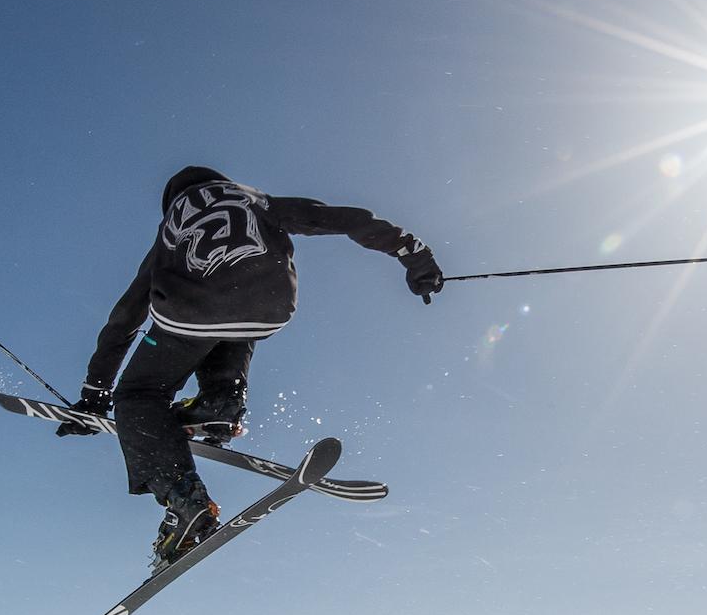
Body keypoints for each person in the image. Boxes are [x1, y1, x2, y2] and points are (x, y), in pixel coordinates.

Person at [67, 166, 441, 564]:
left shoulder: (171, 228)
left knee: (139, 394)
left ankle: (184, 499)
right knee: (237, 316)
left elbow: (125, 316)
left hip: (188, 316)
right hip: (267, 307)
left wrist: (96, 393)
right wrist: (413, 253)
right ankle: (220, 402)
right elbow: (338, 218)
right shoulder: (257, 202)